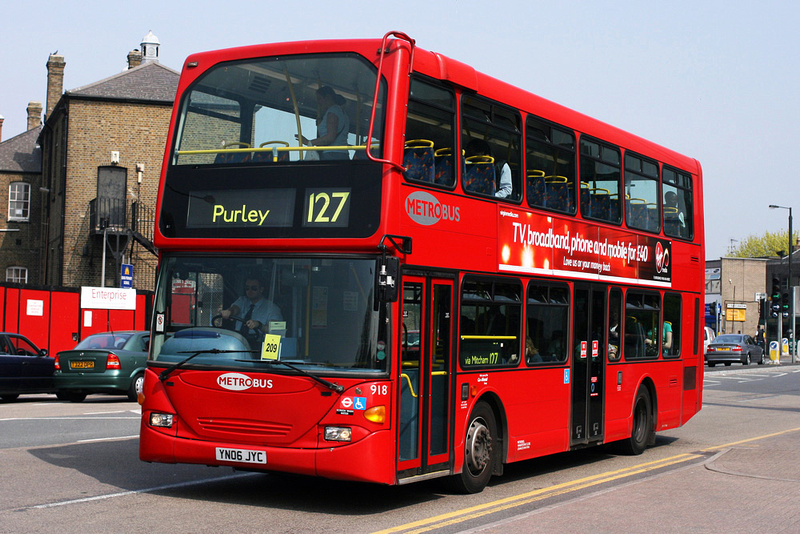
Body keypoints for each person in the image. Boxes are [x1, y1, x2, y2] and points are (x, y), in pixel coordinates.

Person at [220, 276, 284, 342]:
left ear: (261, 289)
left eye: (254, 288)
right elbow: (235, 309)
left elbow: (276, 331)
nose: (250, 291)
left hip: (258, 345)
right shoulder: (242, 301)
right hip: (238, 342)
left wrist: (259, 325)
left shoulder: (272, 308)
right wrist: (229, 312)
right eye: (247, 288)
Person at [296, 86, 350, 160]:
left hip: (332, 155)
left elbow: (330, 138)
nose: (318, 102)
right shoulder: (343, 114)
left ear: (327, 97)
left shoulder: (332, 112)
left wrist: (308, 142)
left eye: (319, 99)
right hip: (342, 153)